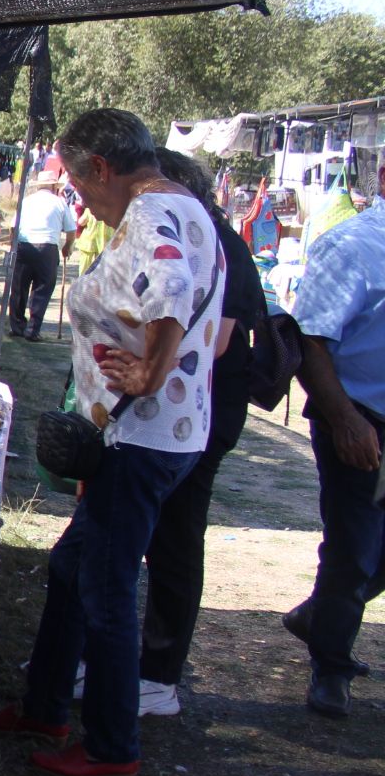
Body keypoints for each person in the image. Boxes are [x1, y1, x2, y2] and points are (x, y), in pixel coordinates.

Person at [0, 109, 223, 776]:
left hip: (139, 436)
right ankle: (46, 703)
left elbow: (168, 286)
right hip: (166, 432)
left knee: (107, 589)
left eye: (81, 189)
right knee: (69, 569)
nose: (83, 203)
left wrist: (149, 370)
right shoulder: (188, 205)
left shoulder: (150, 216)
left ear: (101, 169)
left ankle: (113, 745)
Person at [137, 149, 266, 716]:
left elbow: (211, 343)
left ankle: (160, 674)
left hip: (201, 418)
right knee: (144, 535)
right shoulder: (194, 236)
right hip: (172, 412)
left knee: (177, 539)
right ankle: (128, 663)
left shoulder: (222, 245)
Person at [281, 199, 385, 717]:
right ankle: (332, 665)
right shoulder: (353, 246)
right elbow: (310, 341)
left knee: (371, 556)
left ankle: (320, 616)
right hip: (362, 418)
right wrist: (345, 420)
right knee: (354, 549)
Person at [8, 166, 74, 340]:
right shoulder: (60, 202)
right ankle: (32, 329)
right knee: (42, 289)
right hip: (47, 248)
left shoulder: (27, 201)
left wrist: (13, 245)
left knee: (19, 287)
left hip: (25, 245)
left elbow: (13, 227)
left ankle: (17, 326)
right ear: (53, 186)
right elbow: (71, 229)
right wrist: (68, 246)